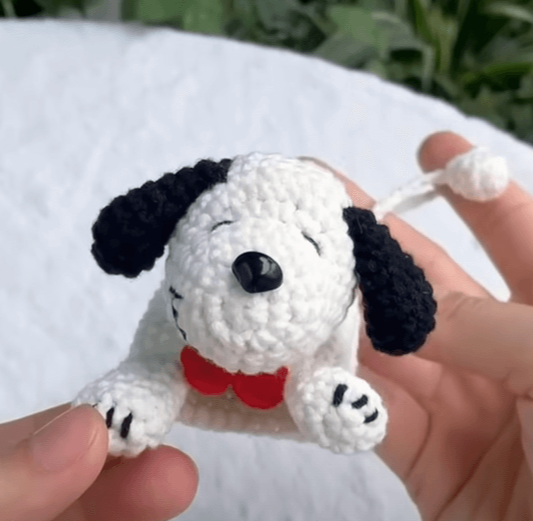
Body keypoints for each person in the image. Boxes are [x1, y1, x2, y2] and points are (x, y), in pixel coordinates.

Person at [1, 131, 532, 521]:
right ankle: (149, 391)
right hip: (178, 351)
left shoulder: (350, 247)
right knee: (153, 371)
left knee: (317, 382)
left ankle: (322, 397)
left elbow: (401, 320)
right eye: (223, 224)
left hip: (299, 373)